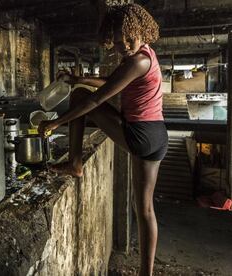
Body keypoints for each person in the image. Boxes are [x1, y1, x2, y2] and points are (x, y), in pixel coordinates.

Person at [38, 4, 168, 276]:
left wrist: (56, 122)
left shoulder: (137, 60)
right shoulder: (145, 55)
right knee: (144, 209)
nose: (125, 46)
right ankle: (147, 273)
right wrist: (79, 77)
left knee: (79, 98)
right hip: (157, 135)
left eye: (129, 39)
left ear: (141, 30)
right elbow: (112, 81)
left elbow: (99, 98)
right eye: (119, 43)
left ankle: (75, 162)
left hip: (141, 135)